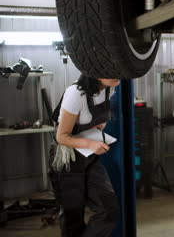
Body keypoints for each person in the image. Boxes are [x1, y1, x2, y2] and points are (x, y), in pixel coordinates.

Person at [48, 75, 121, 237]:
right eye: (109, 70)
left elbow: (98, 117)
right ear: (95, 71)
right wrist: (90, 144)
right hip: (67, 158)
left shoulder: (109, 87)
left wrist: (101, 124)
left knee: (109, 210)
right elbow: (61, 137)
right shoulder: (76, 93)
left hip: (88, 156)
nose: (117, 74)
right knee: (72, 219)